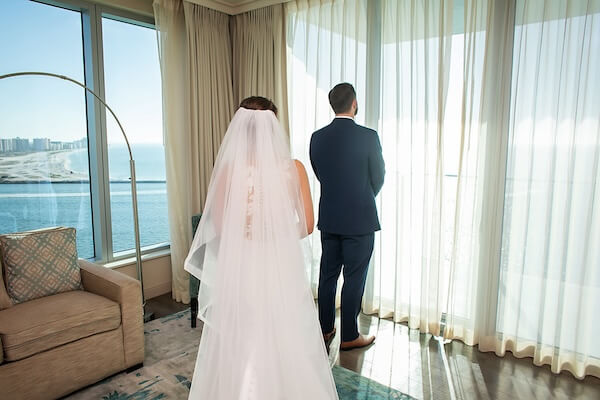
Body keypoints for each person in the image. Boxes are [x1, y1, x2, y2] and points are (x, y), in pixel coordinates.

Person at [185, 96, 339, 399]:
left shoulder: (229, 170)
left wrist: (249, 236)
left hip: (243, 266)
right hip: (280, 265)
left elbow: (219, 226)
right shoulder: (294, 168)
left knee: (243, 336)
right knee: (285, 333)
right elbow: (307, 224)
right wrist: (275, 236)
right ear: (274, 127)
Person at [310, 83, 385, 351]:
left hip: (330, 217)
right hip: (360, 219)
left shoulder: (317, 137)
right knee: (355, 277)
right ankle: (350, 336)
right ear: (354, 103)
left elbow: (320, 173)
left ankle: (326, 329)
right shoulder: (369, 136)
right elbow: (378, 177)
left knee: (328, 275)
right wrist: (363, 195)